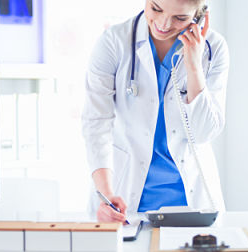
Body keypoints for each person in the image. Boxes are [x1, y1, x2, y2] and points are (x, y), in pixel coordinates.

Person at [82, 0, 229, 223]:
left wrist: (194, 65)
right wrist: (106, 194)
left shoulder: (213, 48)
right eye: (156, 9)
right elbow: (96, 123)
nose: (163, 24)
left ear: (200, 16)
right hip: (125, 195)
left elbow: (203, 133)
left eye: (180, 18)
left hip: (191, 202)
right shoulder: (114, 42)